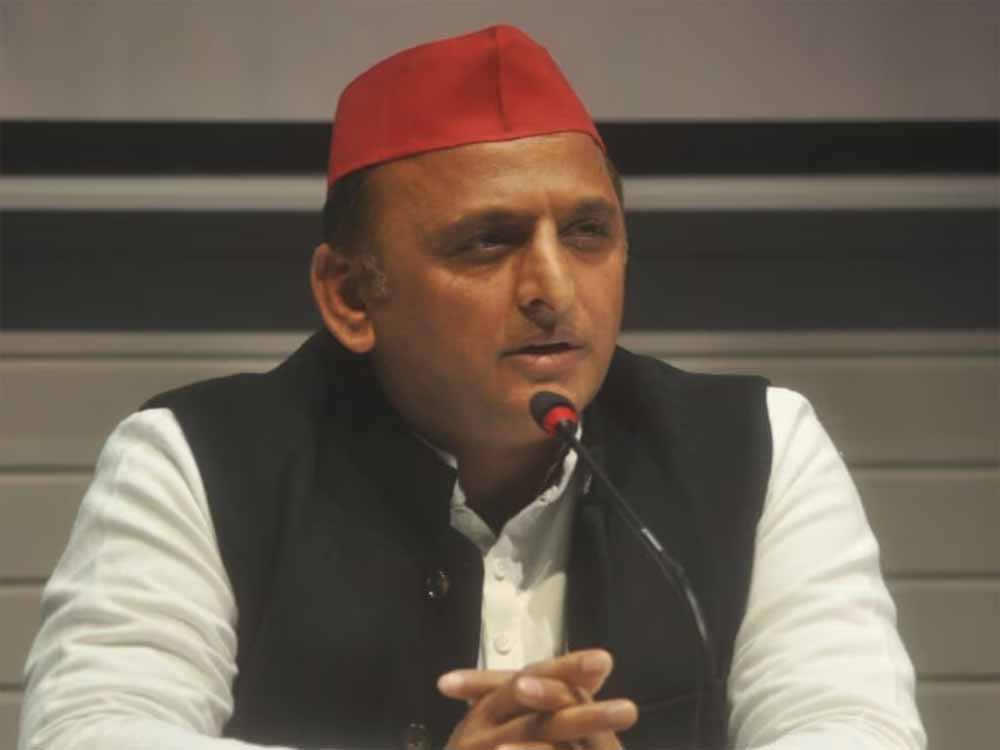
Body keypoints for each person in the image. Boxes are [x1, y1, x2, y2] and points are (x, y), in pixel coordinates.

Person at [19, 25, 925, 750]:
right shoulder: (197, 459)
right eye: (488, 242)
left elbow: (855, 726)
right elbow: (92, 732)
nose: (553, 289)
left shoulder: (758, 445)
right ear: (350, 295)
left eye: (587, 233)